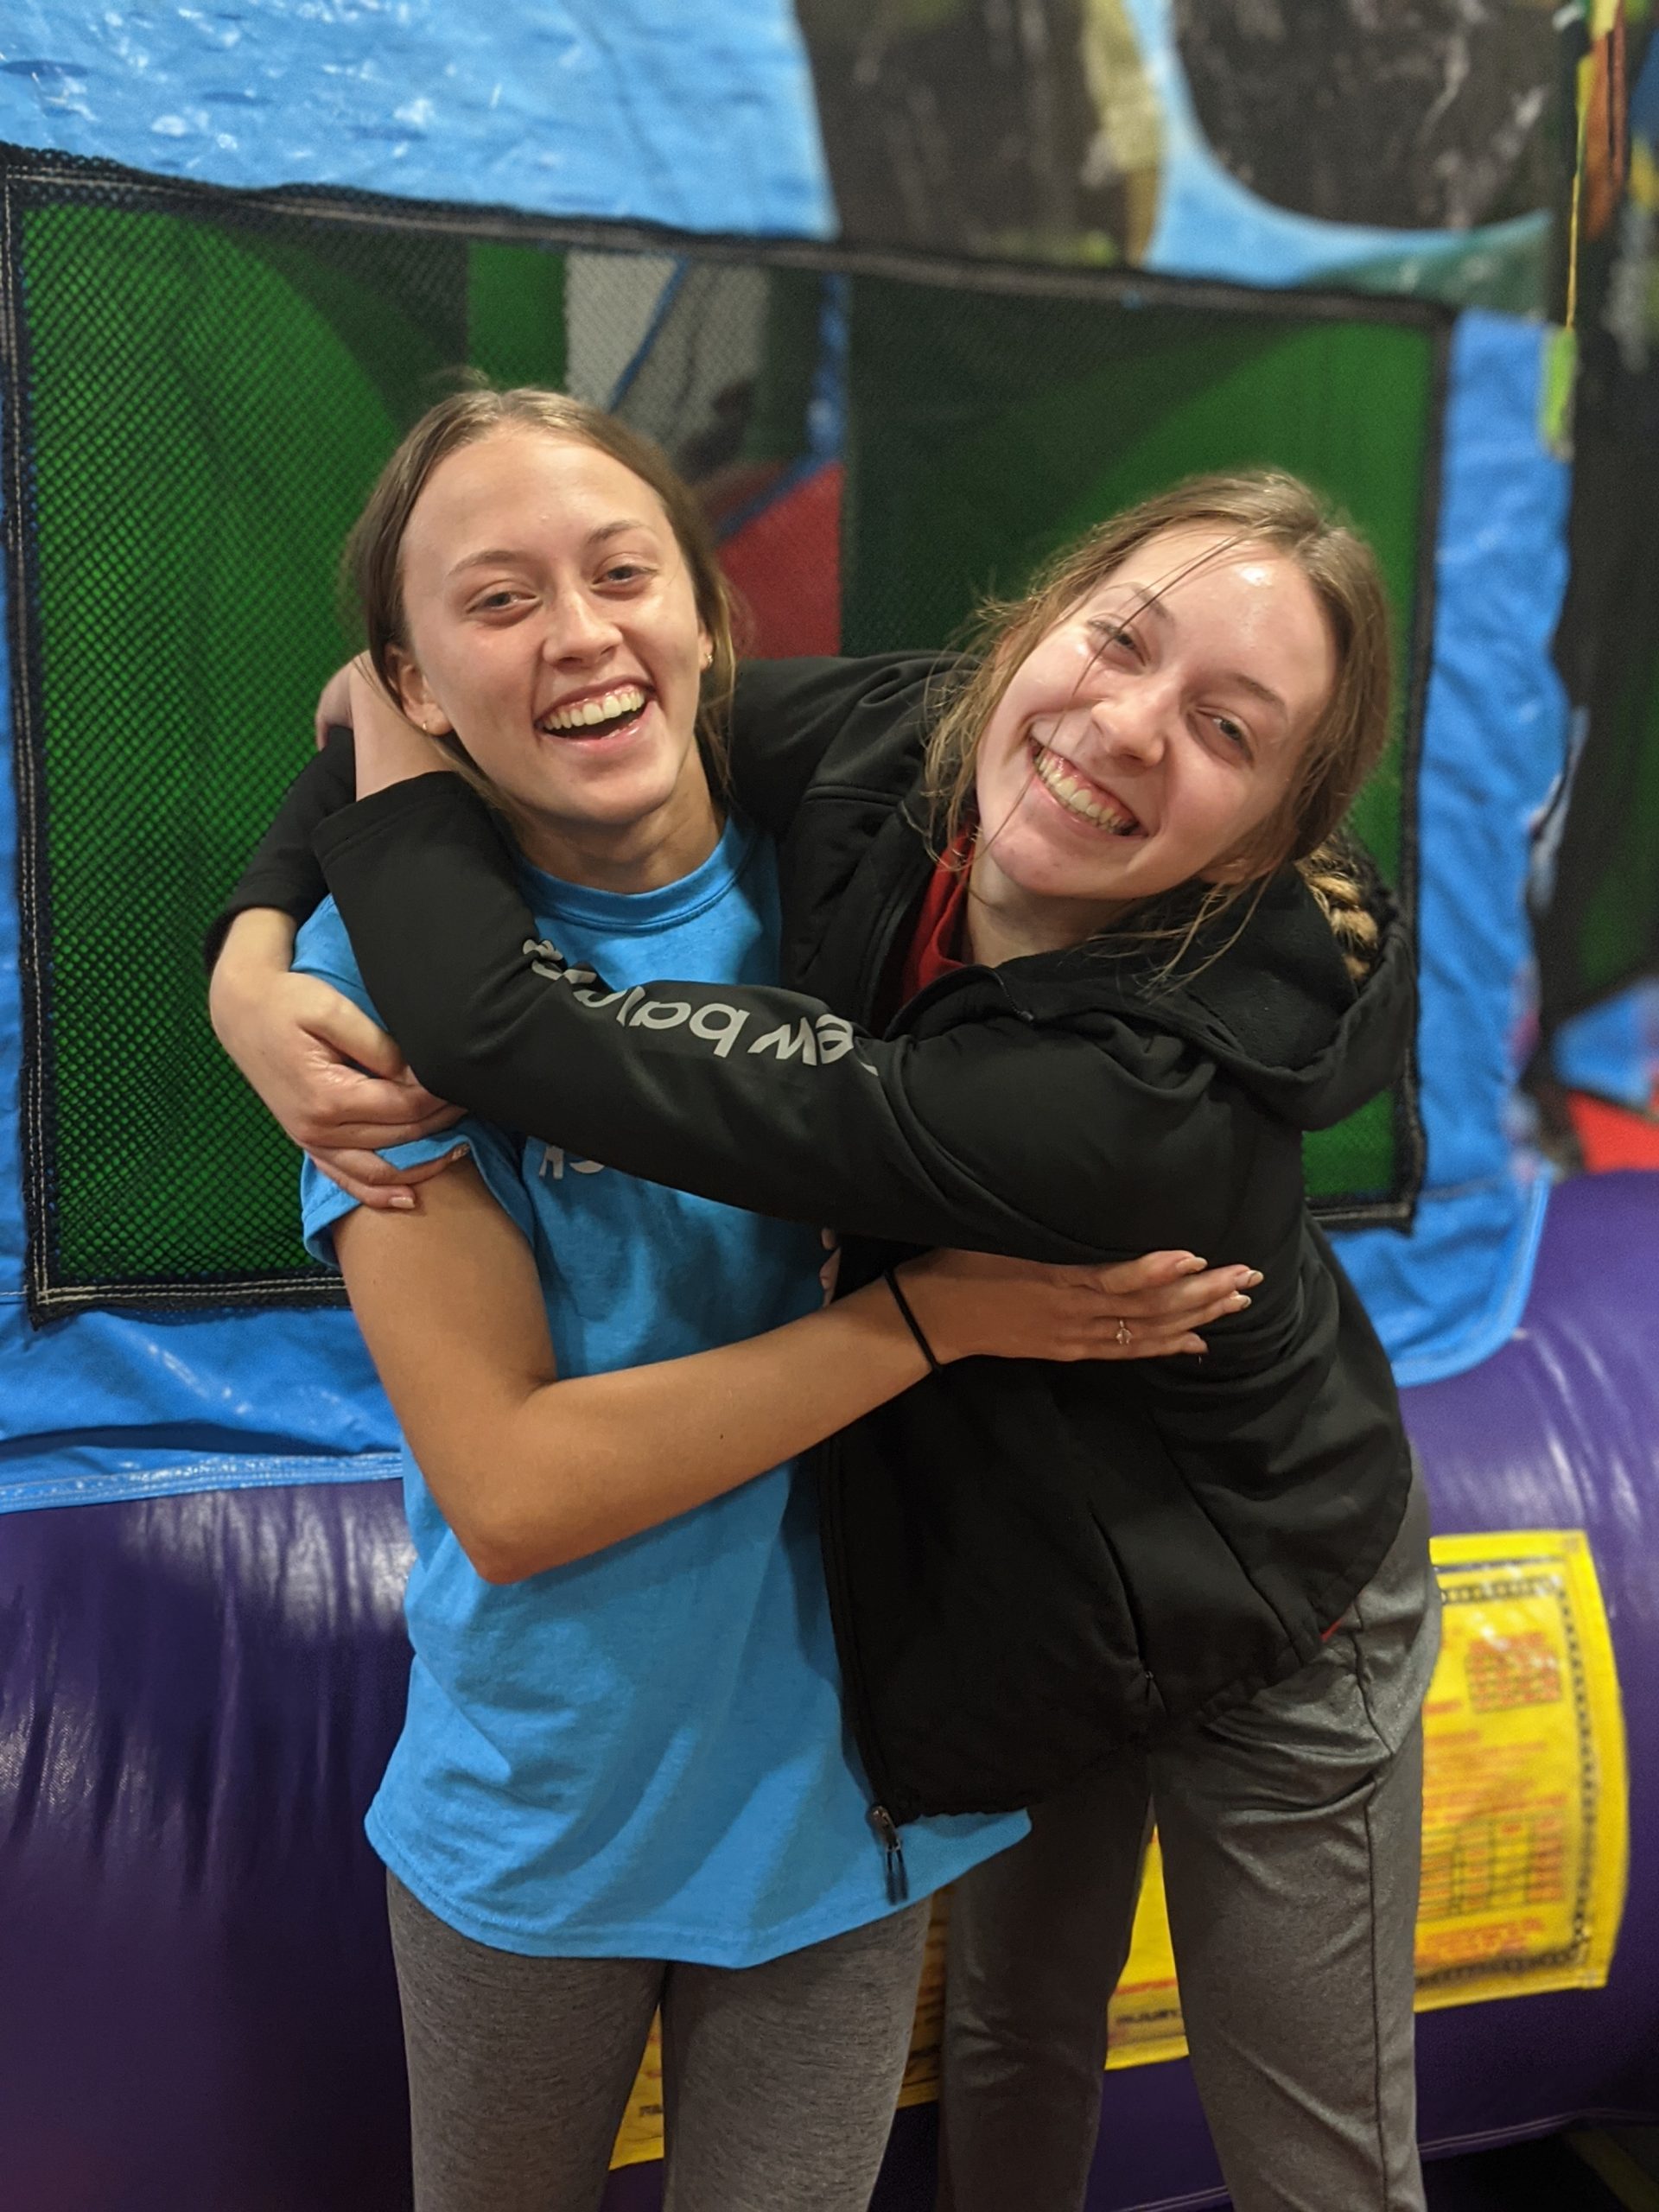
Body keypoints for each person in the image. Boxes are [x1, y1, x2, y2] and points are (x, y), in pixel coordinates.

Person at [213, 404, 1436, 2211]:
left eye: (1228, 730)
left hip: (1252, 1590)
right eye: (1117, 639)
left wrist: (923, 1325)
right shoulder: (894, 759)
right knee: (1020, 2027)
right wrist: (257, 946)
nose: (1120, 727)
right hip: (991, 1570)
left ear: (1267, 839)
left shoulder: (1118, 1110)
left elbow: (509, 1030)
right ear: (1026, 630)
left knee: (1312, 2140)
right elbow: (428, 688)